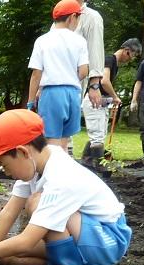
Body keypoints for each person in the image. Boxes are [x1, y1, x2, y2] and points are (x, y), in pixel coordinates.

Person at [0, 110, 132, 265]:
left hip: (106, 240)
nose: (6, 173)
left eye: (5, 165)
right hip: (85, 235)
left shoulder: (61, 177)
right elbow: (9, 212)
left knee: (36, 202)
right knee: (6, 257)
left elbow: (27, 241)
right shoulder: (38, 159)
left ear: (23, 151)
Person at [27, 0, 89, 153]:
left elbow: (36, 74)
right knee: (64, 142)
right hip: (73, 94)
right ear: (72, 17)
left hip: (51, 93)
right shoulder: (80, 41)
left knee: (52, 143)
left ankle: (52, 174)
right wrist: (70, 78)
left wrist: (30, 102)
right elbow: (84, 71)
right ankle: (64, 174)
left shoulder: (42, 40)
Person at [80, 38, 142, 168]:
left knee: (100, 135)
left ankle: (87, 163)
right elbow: (104, 81)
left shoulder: (114, 63)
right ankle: (100, 167)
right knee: (97, 137)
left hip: (100, 102)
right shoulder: (109, 59)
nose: (131, 59)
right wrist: (115, 97)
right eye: (133, 55)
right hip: (93, 101)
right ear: (127, 51)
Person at [73, 0, 106, 150]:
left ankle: (94, 157)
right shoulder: (60, 15)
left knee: (67, 122)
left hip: (76, 79)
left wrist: (94, 84)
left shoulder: (92, 17)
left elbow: (95, 50)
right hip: (54, 79)